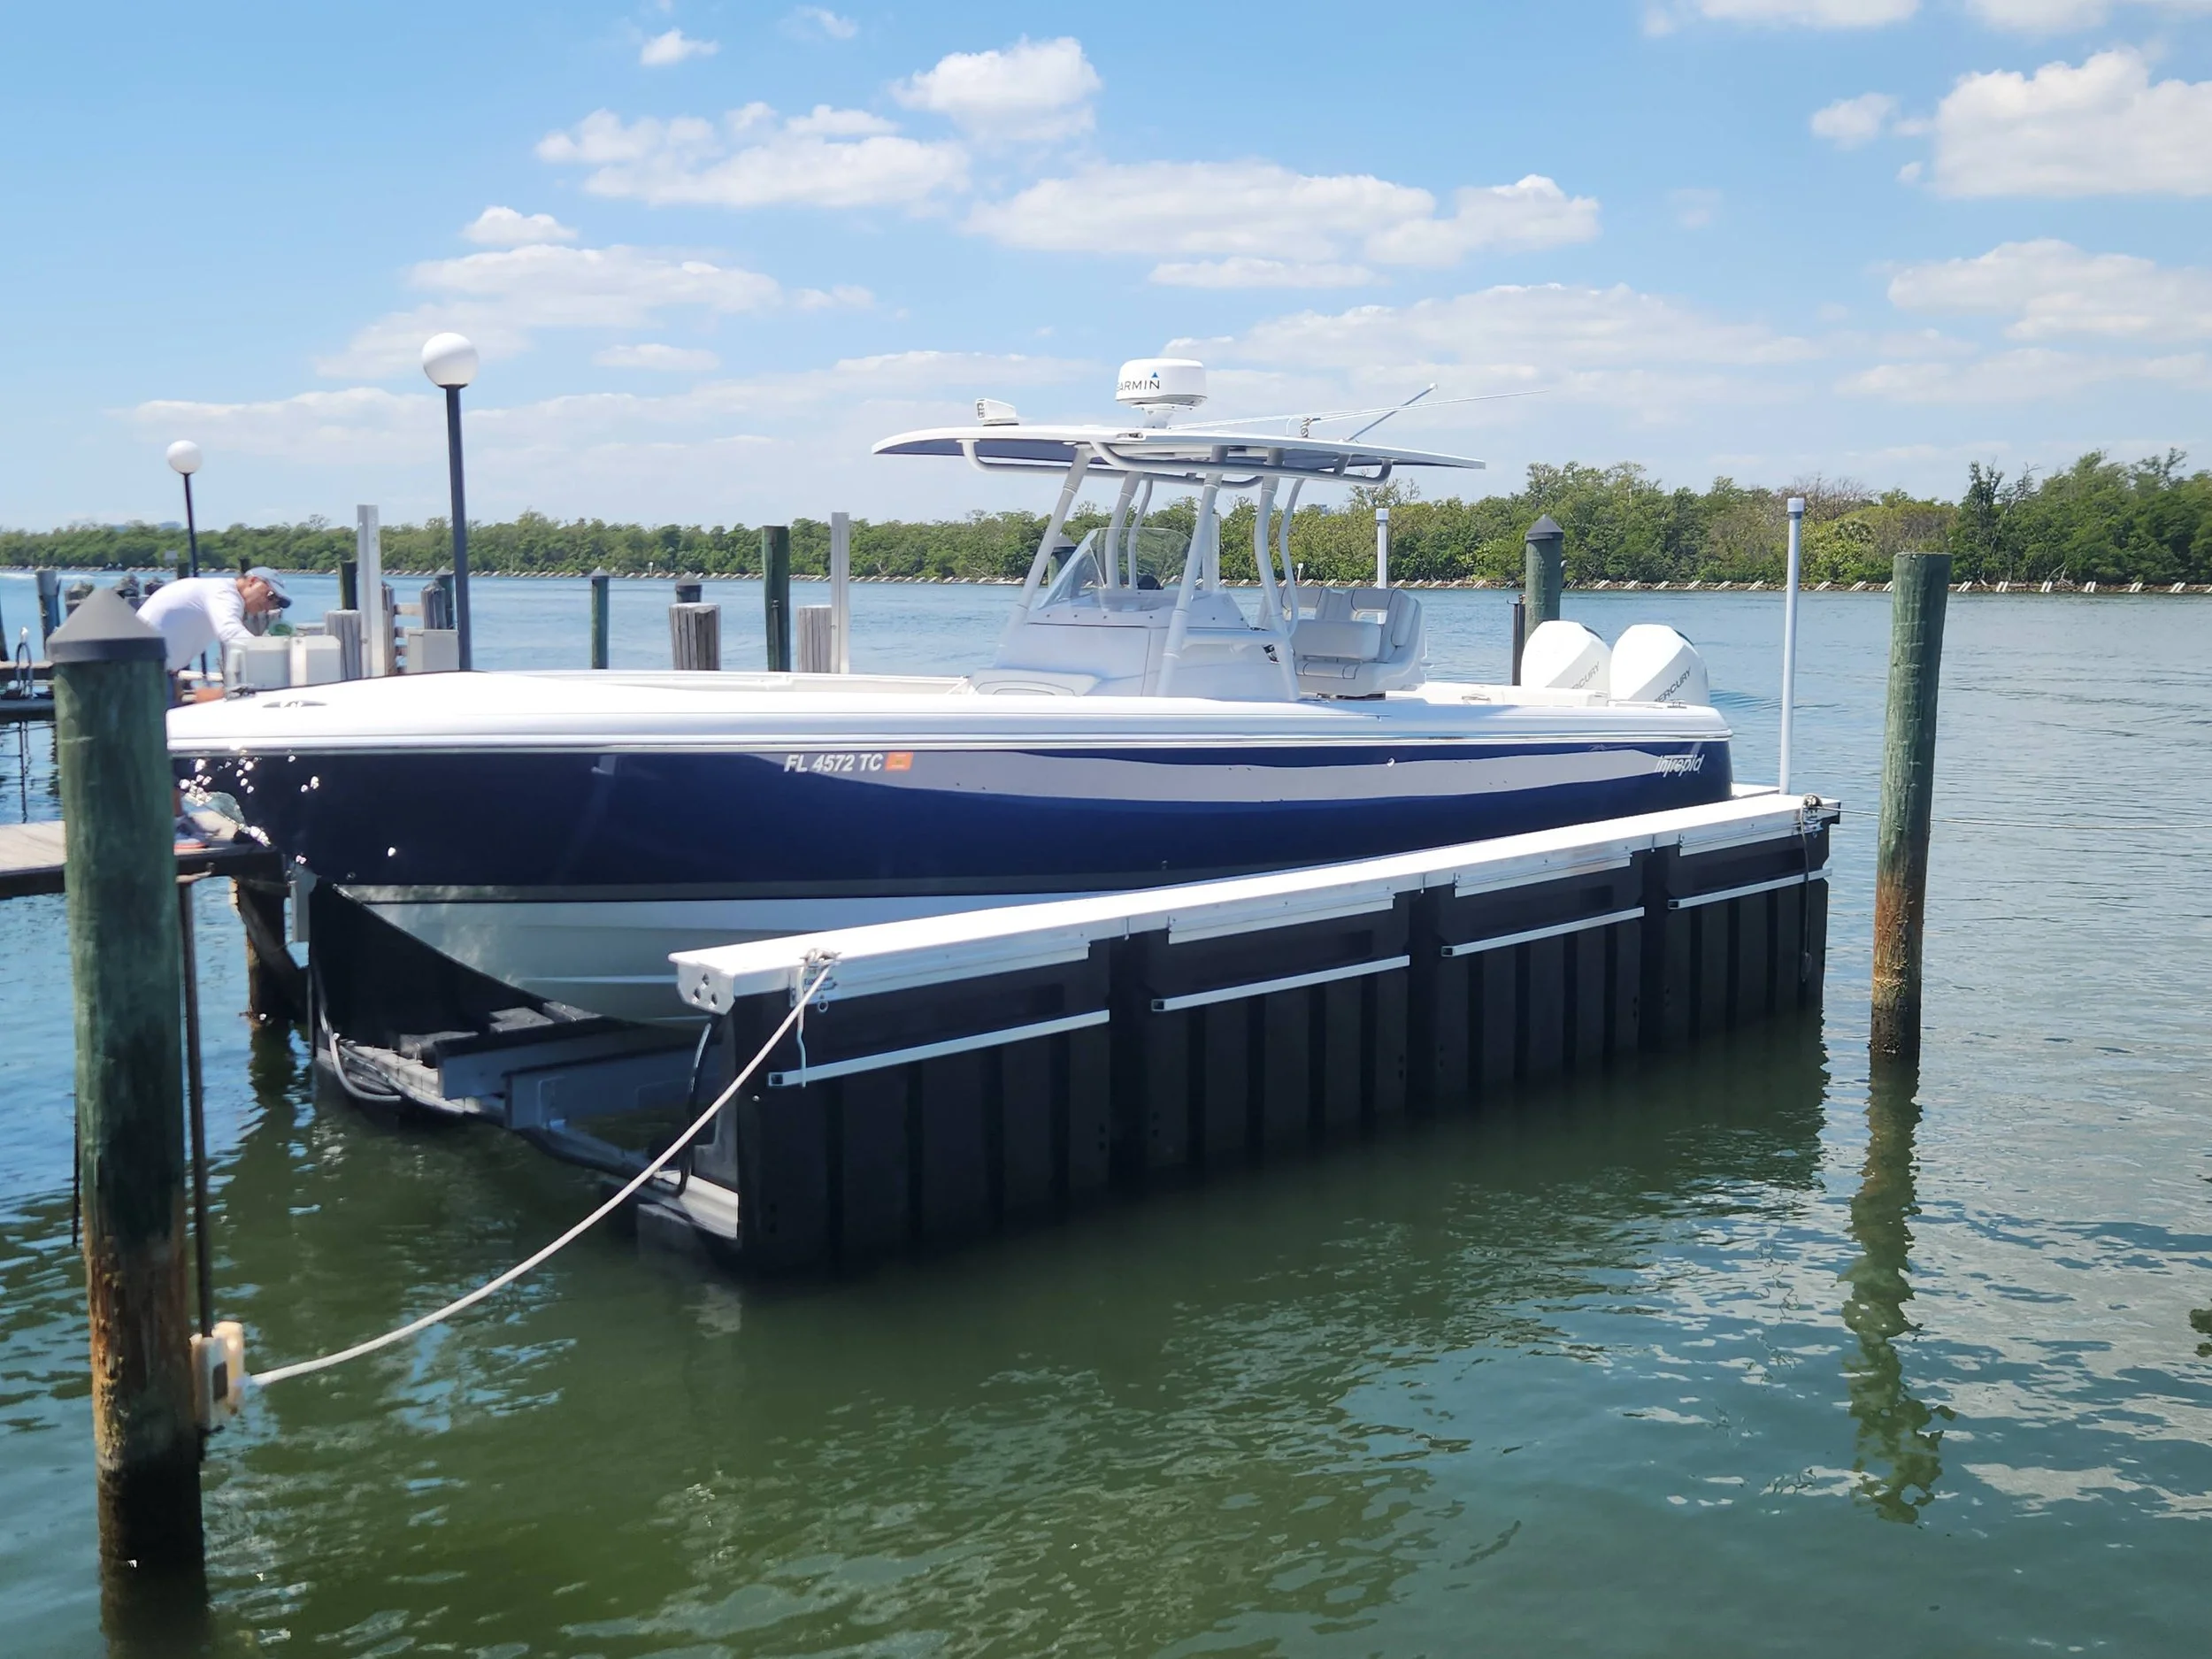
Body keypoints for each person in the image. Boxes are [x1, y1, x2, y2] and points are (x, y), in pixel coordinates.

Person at [136, 567, 292, 685]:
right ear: (252, 581)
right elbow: (230, 632)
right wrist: (274, 655)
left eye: (276, 602)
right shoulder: (224, 593)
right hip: (145, 671)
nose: (269, 606)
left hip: (154, 670)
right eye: (270, 596)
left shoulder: (219, 591)